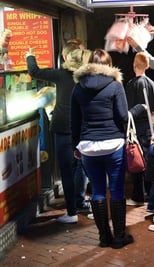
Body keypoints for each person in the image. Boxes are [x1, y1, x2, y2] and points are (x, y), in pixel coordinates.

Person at [71, 48, 145, 249]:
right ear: (109, 64)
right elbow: (123, 116)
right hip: (113, 146)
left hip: (88, 147)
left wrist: (75, 146)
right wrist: (138, 109)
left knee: (97, 191)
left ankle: (104, 237)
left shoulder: (78, 88)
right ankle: (119, 237)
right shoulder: (115, 85)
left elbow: (75, 121)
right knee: (117, 189)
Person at [26, 42, 92, 224]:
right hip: (84, 131)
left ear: (66, 58)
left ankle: (71, 212)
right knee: (88, 169)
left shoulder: (61, 75)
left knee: (67, 173)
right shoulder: (87, 78)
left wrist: (29, 55)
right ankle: (92, 205)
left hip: (63, 130)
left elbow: (35, 72)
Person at [124, 52, 154, 207]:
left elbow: (129, 109)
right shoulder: (151, 83)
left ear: (134, 66)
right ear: (148, 65)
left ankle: (138, 196)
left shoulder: (132, 84)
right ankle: (150, 194)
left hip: (136, 128)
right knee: (149, 162)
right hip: (149, 127)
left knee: (136, 161)